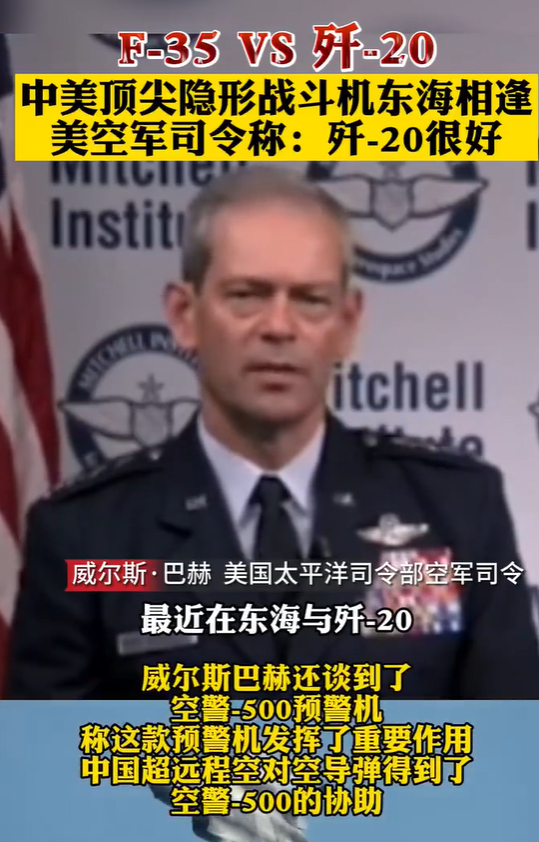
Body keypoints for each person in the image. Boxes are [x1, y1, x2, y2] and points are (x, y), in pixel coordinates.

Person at [6, 165, 539, 700]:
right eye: (247, 295)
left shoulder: (457, 511)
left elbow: (505, 742)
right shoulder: (86, 537)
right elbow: (55, 751)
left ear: (348, 323)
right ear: (184, 315)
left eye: (310, 300)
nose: (279, 327)